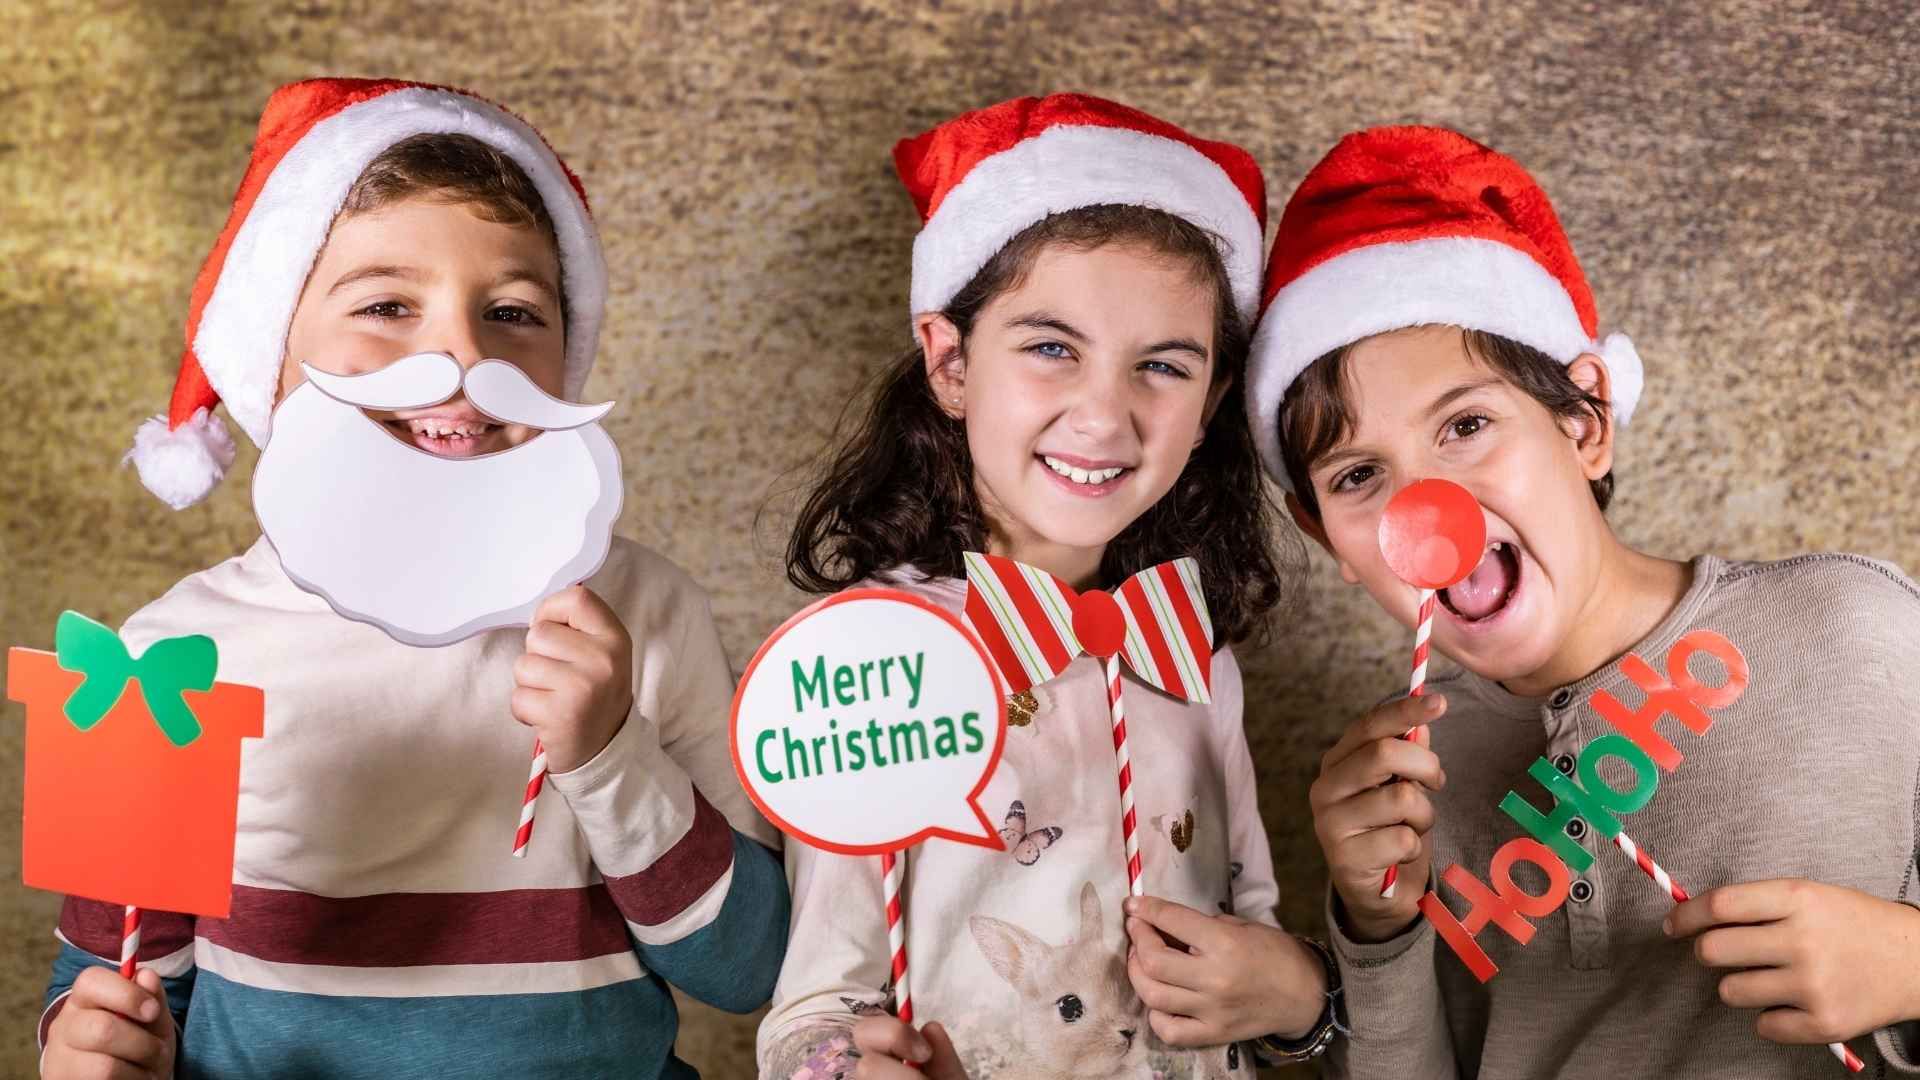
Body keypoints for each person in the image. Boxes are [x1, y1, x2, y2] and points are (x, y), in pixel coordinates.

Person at [41, 77, 788, 1079]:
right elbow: (109, 979)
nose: (462, 356)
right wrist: (86, 1045)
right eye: (387, 305)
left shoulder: (645, 616)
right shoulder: (162, 659)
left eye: (513, 311)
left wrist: (612, 752)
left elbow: (750, 967)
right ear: (268, 353)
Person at [1247, 123, 1920, 1077]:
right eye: (1358, 476)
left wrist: (1910, 966)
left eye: (1466, 425)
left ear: (1585, 421)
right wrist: (1379, 926)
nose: (1425, 506)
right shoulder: (1404, 789)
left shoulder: (1857, 631)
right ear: (1327, 541)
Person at [758, 94, 1337, 1080]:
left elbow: (1252, 948)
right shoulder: (865, 659)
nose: (1104, 415)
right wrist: (842, 1067)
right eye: (1052, 348)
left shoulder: (1196, 654)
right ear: (950, 363)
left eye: (1163, 366)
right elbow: (812, 1013)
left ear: (1210, 404)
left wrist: (1299, 998)